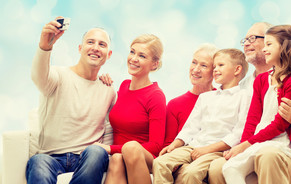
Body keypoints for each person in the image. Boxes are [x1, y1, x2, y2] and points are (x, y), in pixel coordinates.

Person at [208, 22, 291, 184]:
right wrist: (243, 146)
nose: (264, 48)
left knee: (267, 156)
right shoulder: (254, 83)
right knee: (221, 167)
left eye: (255, 39)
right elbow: (252, 120)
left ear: (284, 47)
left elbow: (280, 124)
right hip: (259, 140)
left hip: (282, 145)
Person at [26, 17, 116, 184]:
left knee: (97, 152)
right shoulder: (57, 76)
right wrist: (45, 47)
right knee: (38, 162)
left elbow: (110, 129)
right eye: (90, 42)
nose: (95, 48)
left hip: (87, 159)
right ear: (80, 48)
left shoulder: (108, 90)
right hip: (50, 158)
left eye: (102, 44)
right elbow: (38, 77)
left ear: (108, 55)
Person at [152, 48, 249, 184]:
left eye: (220, 65)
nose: (215, 69)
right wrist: (176, 144)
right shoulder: (205, 97)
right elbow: (191, 127)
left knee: (191, 173)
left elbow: (238, 133)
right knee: (160, 163)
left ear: (237, 70)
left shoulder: (244, 96)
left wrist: (207, 149)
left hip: (217, 150)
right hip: (194, 146)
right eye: (214, 66)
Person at [95, 34, 166, 184]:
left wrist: (110, 148)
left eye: (142, 56)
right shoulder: (124, 86)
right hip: (118, 156)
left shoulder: (156, 95)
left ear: (154, 64)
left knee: (130, 148)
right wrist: (99, 81)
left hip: (142, 157)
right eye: (132, 52)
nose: (134, 58)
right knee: (117, 159)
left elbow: (156, 145)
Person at [163, 43, 218, 147]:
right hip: (180, 159)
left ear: (214, 71)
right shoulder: (174, 105)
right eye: (194, 63)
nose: (196, 69)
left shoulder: (222, 99)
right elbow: (168, 145)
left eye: (204, 65)